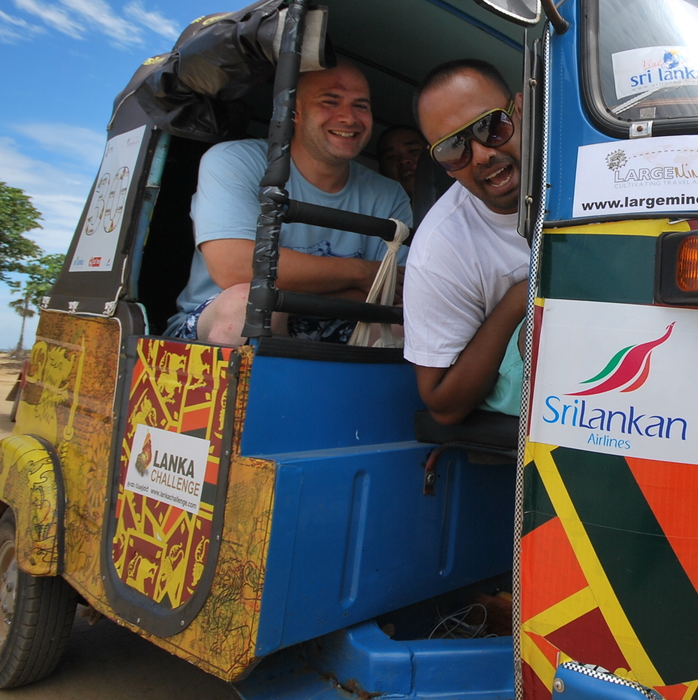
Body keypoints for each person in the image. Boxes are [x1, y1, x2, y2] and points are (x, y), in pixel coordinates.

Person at [168, 62, 413, 346]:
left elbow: (395, 290)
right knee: (251, 304)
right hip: (216, 326)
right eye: (330, 101)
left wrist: (300, 286)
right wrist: (362, 272)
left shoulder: (389, 193)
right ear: (294, 111)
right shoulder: (235, 160)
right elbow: (235, 267)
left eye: (360, 106)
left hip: (338, 320)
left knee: (410, 319)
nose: (348, 117)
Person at [402, 59, 529, 425]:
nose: (483, 155)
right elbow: (441, 403)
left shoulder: (594, 167)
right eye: (453, 148)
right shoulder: (440, 248)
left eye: (490, 127)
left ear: (521, 109)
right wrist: (520, 299)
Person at [376, 124, 453, 228]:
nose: (403, 160)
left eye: (413, 150)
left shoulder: (461, 203)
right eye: (391, 157)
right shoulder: (381, 217)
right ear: (381, 171)